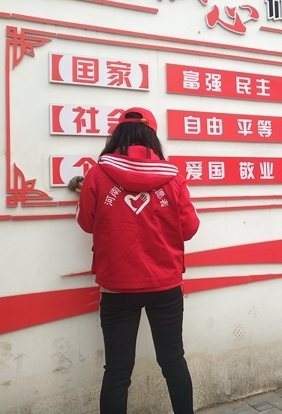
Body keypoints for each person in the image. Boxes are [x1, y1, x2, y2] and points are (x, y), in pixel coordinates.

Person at [74, 107, 200, 414]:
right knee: (173, 361)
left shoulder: (97, 175)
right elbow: (190, 228)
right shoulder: (173, 177)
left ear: (117, 136)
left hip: (117, 285)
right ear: (152, 137)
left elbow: (86, 223)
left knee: (117, 371)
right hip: (165, 284)